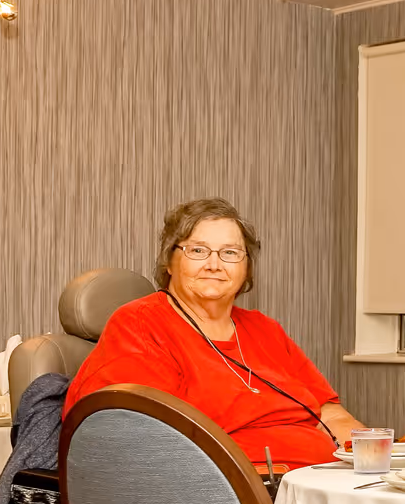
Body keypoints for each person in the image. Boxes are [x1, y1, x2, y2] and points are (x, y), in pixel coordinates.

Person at [65, 198, 365, 470]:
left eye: (230, 253)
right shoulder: (142, 325)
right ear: (170, 261)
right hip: (229, 499)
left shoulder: (265, 329)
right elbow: (147, 443)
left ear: (246, 269)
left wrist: (371, 456)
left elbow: (330, 413)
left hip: (316, 486)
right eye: (198, 250)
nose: (214, 265)